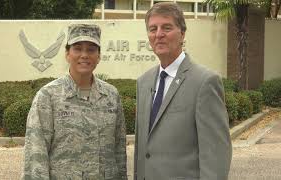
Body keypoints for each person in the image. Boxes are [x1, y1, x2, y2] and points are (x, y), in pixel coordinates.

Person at [134, 2, 232, 180]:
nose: (158, 35)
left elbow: (216, 154)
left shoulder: (205, 82)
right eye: (152, 29)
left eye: (167, 27)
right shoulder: (143, 82)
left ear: (182, 33)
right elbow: (143, 151)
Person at [22, 24, 127, 180]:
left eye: (91, 49)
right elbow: (36, 153)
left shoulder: (111, 95)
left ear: (98, 56)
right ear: (67, 54)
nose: (84, 55)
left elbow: (119, 150)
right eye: (77, 48)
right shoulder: (48, 96)